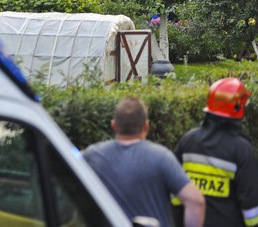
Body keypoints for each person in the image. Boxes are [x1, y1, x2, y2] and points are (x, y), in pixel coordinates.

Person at [83, 96, 205, 227]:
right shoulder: (162, 157)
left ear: (114, 125)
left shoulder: (93, 156)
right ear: (146, 126)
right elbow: (195, 201)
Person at [173, 77, 258, 227]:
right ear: (238, 108)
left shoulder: (188, 142)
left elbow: (175, 194)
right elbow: (254, 211)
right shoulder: (242, 150)